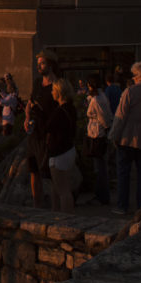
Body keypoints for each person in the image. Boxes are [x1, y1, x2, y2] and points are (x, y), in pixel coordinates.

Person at [110, 61, 141, 215]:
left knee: (124, 172)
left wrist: (114, 135)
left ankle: (122, 205)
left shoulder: (130, 92)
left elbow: (120, 117)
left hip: (127, 137)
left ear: (138, 76)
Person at [25, 51, 59, 208]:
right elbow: (29, 103)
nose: (39, 66)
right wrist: (26, 118)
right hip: (33, 133)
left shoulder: (57, 85)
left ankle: (54, 208)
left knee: (51, 174)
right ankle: (36, 205)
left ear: (50, 65)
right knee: (34, 171)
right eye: (38, 63)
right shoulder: (38, 83)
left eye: (42, 63)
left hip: (47, 134)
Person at [45, 79, 78, 213]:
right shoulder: (71, 109)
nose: (51, 92)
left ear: (59, 92)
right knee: (58, 188)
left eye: (53, 90)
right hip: (68, 149)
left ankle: (66, 219)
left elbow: (47, 128)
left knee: (63, 190)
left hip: (59, 153)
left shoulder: (60, 111)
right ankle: (58, 214)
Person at [85, 75, 113, 205]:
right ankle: (102, 194)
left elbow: (103, 118)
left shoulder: (97, 100)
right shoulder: (101, 97)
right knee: (101, 166)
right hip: (99, 132)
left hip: (98, 133)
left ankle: (102, 195)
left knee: (100, 167)